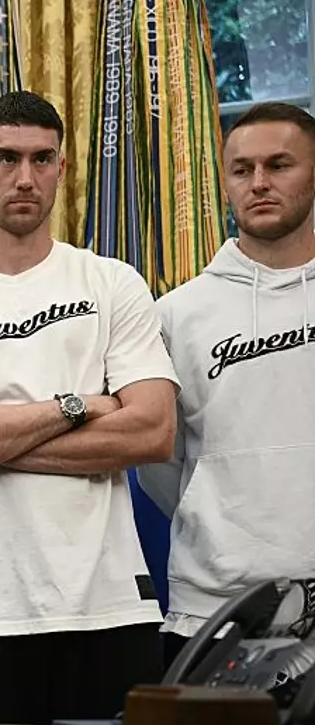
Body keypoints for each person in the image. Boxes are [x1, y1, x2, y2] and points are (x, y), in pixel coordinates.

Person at [0, 91, 178, 725]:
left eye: (42, 159)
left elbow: (154, 430)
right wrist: (84, 405)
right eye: (8, 158)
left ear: (62, 168)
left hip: (108, 603)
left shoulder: (111, 283)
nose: (25, 177)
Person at [138, 102, 315, 667]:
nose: (259, 183)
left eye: (279, 165)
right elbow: (161, 466)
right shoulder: (177, 315)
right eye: (242, 170)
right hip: (213, 615)